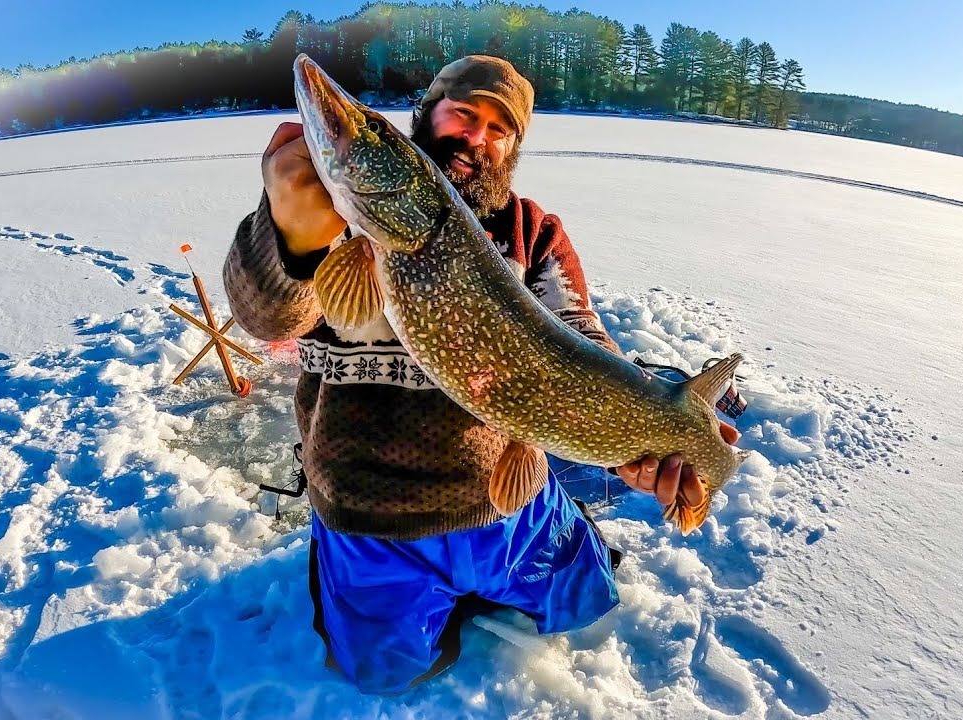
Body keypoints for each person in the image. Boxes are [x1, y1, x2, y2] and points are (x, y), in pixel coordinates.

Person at [223, 55, 740, 694]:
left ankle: (543, 547)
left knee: (586, 601)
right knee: (385, 675)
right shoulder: (326, 214)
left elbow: (583, 341)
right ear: (426, 114)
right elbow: (267, 317)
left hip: (506, 497)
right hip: (373, 511)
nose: (478, 138)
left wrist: (644, 435)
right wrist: (294, 238)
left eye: (500, 129)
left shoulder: (532, 232)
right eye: (463, 115)